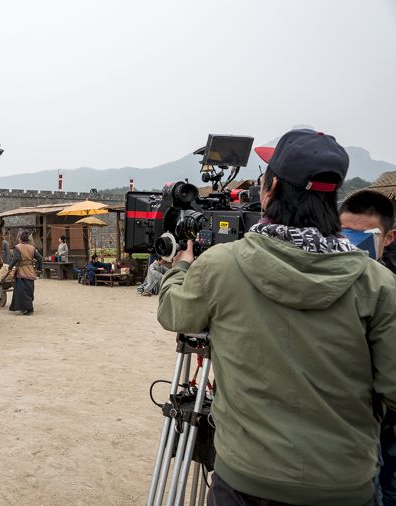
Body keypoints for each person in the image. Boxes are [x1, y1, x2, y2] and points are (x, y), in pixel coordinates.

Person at [157, 129, 396, 505]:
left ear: (268, 190)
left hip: (246, 482)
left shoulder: (222, 266)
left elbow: (174, 311)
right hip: (345, 485)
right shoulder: (378, 283)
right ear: (332, 200)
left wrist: (180, 268)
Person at [340, 189, 396, 504]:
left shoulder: (388, 283)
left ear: (388, 237)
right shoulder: (334, 275)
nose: (353, 242)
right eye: (346, 232)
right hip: (354, 427)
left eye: (364, 235)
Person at [7, 230, 43, 315]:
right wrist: (39, 268)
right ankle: (30, 308)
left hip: (21, 271)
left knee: (21, 291)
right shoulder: (32, 248)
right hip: (30, 271)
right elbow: (40, 258)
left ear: (20, 238)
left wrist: (10, 267)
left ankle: (25, 309)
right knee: (29, 290)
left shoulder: (17, 247)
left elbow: (16, 258)